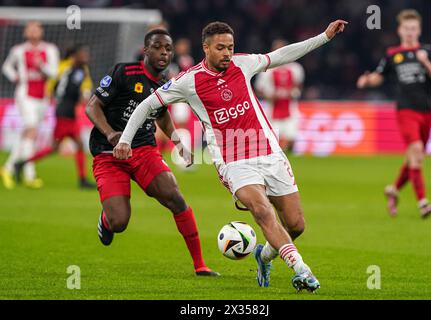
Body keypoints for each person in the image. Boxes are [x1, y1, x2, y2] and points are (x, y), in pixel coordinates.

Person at [114, 20, 347, 292]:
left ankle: (264, 255)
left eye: (230, 47)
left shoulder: (243, 64)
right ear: (206, 48)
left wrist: (324, 37)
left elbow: (283, 55)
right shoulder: (188, 81)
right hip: (234, 161)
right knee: (261, 210)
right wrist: (125, 140)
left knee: (295, 226)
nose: (227, 53)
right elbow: (146, 105)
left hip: (270, 152)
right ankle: (302, 269)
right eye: (221, 48)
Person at [85, 29, 218, 277]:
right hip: (108, 154)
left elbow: (162, 114)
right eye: (158, 47)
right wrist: (110, 134)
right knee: (120, 222)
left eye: (168, 49)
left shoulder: (164, 81)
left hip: (144, 149)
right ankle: (107, 220)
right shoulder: (124, 72)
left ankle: (200, 264)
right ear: (146, 50)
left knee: (175, 197)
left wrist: (178, 142)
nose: (164, 53)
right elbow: (92, 106)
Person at [357, 9, 431, 218]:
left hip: (426, 111)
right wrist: (368, 80)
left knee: (415, 157)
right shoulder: (392, 54)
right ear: (400, 30)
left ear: (419, 30)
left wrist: (425, 62)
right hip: (405, 110)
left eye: (413, 28)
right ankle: (423, 202)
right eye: (407, 28)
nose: (410, 32)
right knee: (415, 151)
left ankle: (394, 190)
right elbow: (379, 76)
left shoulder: (428, 51)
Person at [14, 44, 96, 189]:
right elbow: (66, 90)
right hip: (65, 113)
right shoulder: (73, 70)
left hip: (67, 112)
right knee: (55, 147)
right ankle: (22, 163)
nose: (86, 57)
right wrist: (82, 97)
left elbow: (67, 89)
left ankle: (82, 179)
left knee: (78, 145)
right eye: (83, 54)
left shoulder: (78, 70)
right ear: (75, 56)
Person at [1, 21, 59, 189]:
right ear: (26, 32)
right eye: (30, 29)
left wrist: (41, 65)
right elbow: (6, 67)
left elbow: (54, 73)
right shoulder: (18, 50)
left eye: (36, 29)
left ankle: (8, 167)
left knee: (28, 134)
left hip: (43, 97)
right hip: (25, 95)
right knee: (32, 130)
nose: (33, 32)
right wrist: (15, 77)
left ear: (41, 31)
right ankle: (29, 174)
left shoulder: (50, 49)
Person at [255, 38, 305, 152]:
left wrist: (294, 93)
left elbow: (299, 86)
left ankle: (290, 162)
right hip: (272, 110)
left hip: (290, 109)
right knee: (272, 142)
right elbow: (259, 90)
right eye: (277, 49)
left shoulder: (295, 68)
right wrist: (269, 96)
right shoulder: (266, 70)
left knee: (291, 139)